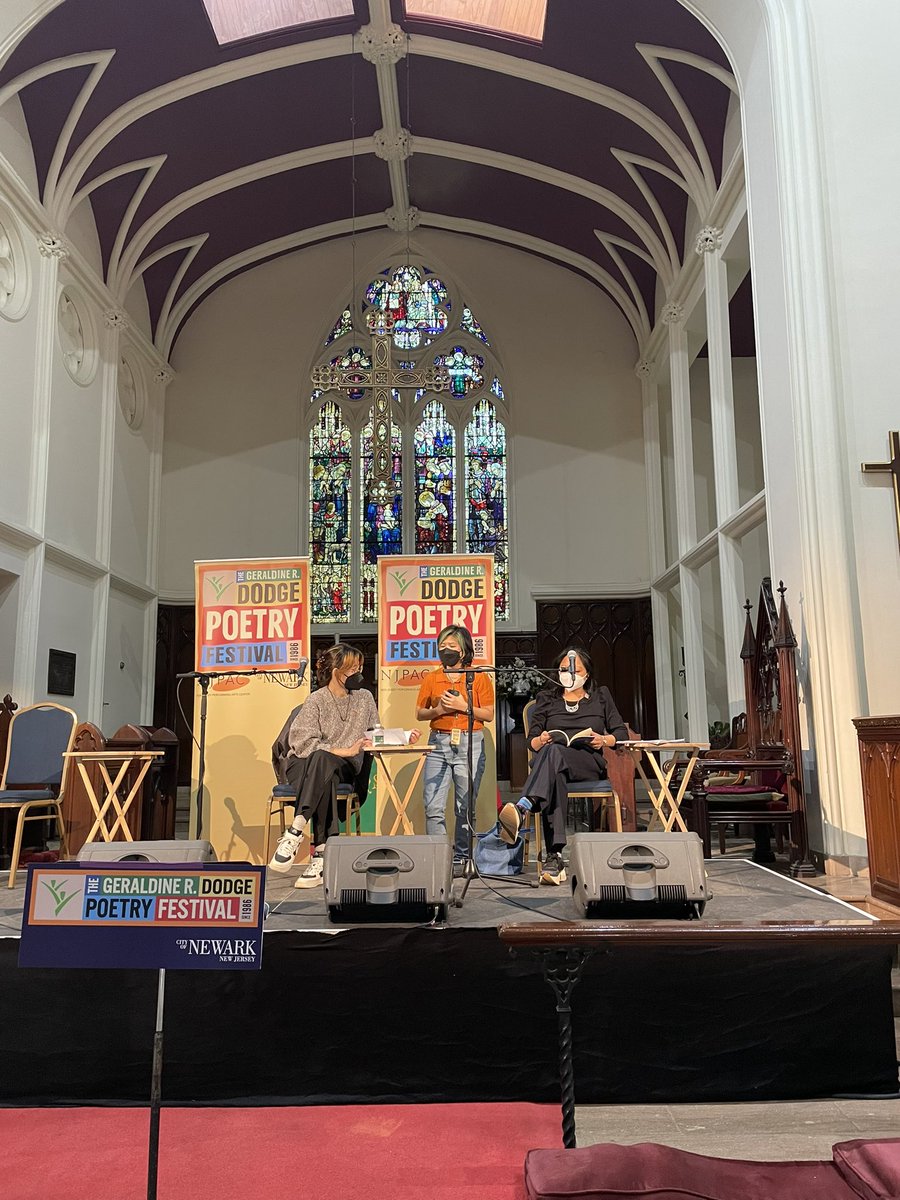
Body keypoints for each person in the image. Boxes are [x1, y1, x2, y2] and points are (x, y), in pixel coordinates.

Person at [269, 644, 419, 888]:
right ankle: (320, 855)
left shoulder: (365, 698)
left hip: (343, 767)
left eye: (360, 667)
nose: (358, 672)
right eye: (352, 668)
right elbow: (303, 743)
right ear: (336, 671)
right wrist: (345, 749)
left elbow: (375, 734)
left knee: (325, 763)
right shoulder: (316, 700)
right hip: (304, 765)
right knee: (321, 762)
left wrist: (403, 736)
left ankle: (296, 830)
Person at [498, 646, 627, 884]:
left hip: (587, 762)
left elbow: (620, 732)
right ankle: (554, 857)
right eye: (564, 669)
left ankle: (524, 806)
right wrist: (541, 739)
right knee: (554, 767)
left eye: (575, 669)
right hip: (554, 764)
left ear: (587, 673)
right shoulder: (546, 698)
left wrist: (604, 740)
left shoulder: (600, 695)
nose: (569, 673)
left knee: (553, 756)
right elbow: (532, 741)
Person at [416, 625, 495, 872]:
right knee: (433, 805)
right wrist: (438, 711)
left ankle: (463, 857)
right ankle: (438, 858)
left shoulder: (478, 677)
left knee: (464, 805)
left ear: (464, 650)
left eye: (451, 646)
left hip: (469, 742)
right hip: (438, 743)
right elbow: (420, 713)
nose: (445, 650)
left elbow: (489, 714)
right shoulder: (431, 678)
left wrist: (464, 705)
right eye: (442, 646)